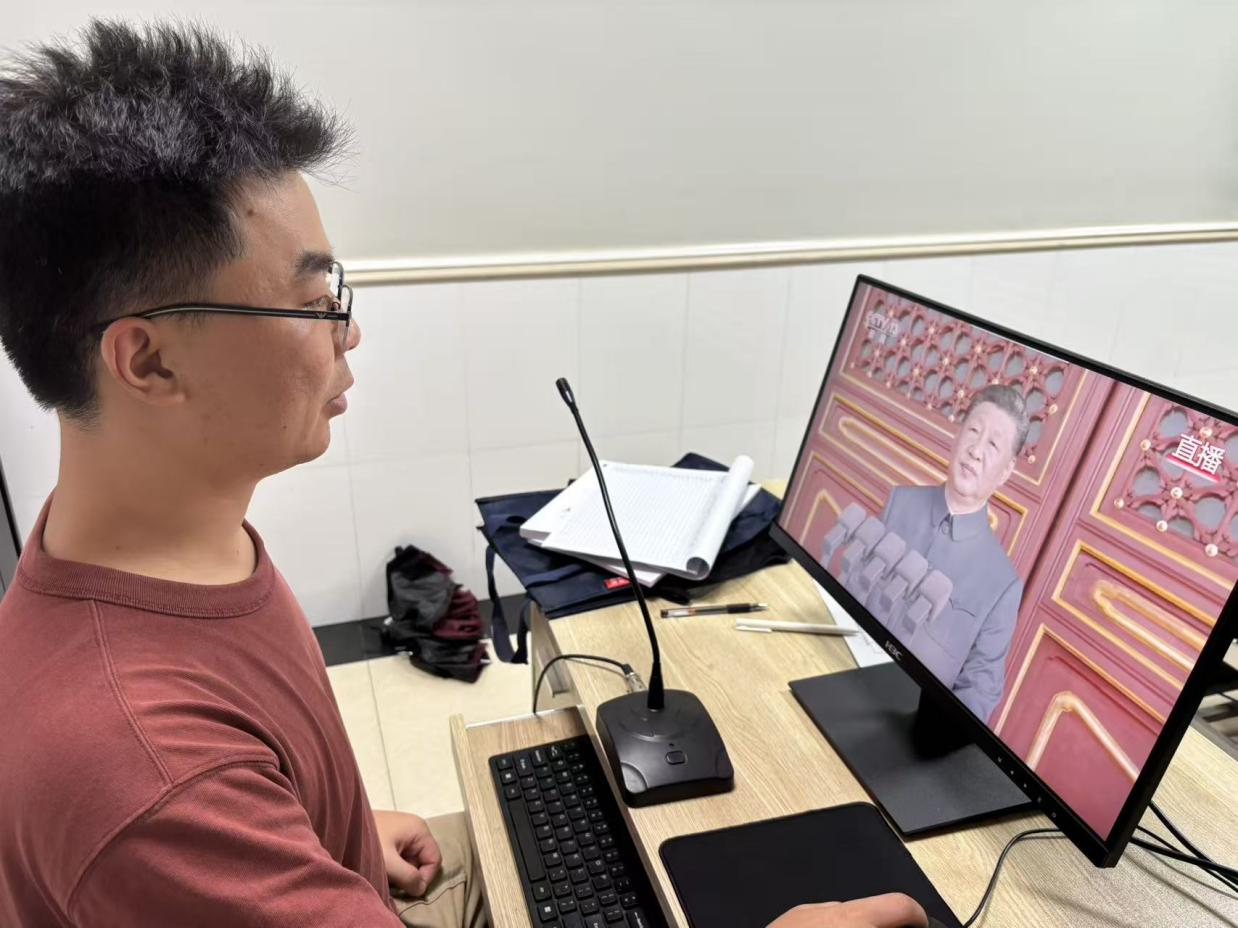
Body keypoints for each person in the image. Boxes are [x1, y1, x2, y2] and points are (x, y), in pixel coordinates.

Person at [0, 20, 927, 928]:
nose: (349, 333)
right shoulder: (151, 779)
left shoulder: (176, 547)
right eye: (314, 302)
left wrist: (328, 834)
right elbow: (185, 797)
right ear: (150, 361)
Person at [879, 383, 1028, 723]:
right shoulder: (900, 501)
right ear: (957, 436)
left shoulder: (1003, 585)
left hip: (913, 719)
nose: (976, 451)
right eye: (973, 432)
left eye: (993, 444)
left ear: (1006, 471)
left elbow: (979, 691)